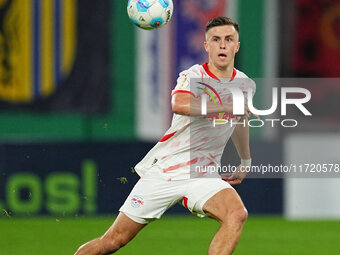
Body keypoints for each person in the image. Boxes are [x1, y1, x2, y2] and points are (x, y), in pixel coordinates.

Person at [75, 16, 258, 255]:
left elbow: (240, 119)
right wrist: (224, 105)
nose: (222, 45)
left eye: (228, 39)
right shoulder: (193, 75)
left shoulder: (246, 85)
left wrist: (245, 160)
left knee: (236, 214)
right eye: (216, 40)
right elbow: (179, 103)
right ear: (206, 46)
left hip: (203, 174)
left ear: (237, 46)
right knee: (114, 240)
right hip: (167, 170)